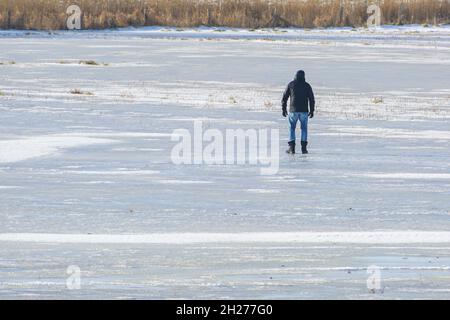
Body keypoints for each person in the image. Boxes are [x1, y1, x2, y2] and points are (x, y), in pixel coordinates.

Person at [281, 70, 315, 154]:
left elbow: (284, 97)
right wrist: (312, 110)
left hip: (293, 111)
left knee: (291, 128)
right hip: (304, 111)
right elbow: (311, 99)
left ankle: (291, 148)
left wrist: (283, 109)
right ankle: (304, 149)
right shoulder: (307, 86)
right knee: (304, 129)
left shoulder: (291, 84)